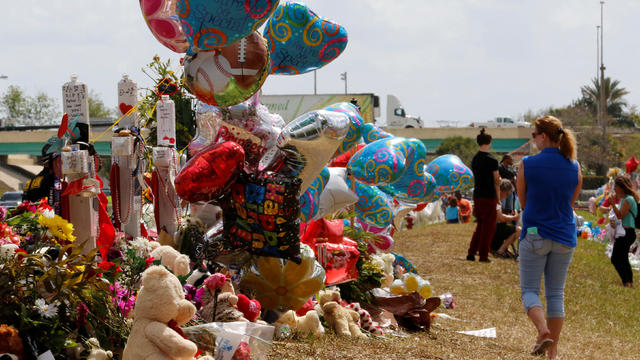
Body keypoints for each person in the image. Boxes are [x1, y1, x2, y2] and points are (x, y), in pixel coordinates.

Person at [515, 116, 581, 359]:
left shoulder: (528, 164)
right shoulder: (574, 166)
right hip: (564, 235)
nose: (533, 139)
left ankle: (543, 331)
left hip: (535, 234)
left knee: (529, 290)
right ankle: (552, 352)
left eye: (534, 135)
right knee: (555, 294)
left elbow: (523, 201)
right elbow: (571, 203)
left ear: (543, 136)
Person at [467, 128, 500, 262]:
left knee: (480, 225)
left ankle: (471, 252)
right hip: (489, 195)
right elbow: (497, 181)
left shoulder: (475, 159)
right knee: (488, 227)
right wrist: (498, 198)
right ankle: (483, 255)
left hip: (478, 194)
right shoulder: (492, 161)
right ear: (489, 142)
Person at [607, 176, 638, 288]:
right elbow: (621, 218)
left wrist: (611, 204)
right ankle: (628, 282)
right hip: (624, 232)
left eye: (616, 186)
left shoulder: (628, 199)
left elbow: (620, 215)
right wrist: (613, 223)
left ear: (621, 187)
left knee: (617, 258)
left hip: (627, 233)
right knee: (621, 258)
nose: (614, 188)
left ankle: (627, 282)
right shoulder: (624, 199)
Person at [491, 179, 521, 259]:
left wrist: (510, 216)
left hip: (490, 229)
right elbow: (501, 218)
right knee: (519, 230)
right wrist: (514, 217)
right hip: (493, 230)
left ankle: (503, 249)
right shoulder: (497, 200)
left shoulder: (492, 197)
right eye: (507, 193)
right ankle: (501, 251)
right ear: (502, 190)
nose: (507, 196)